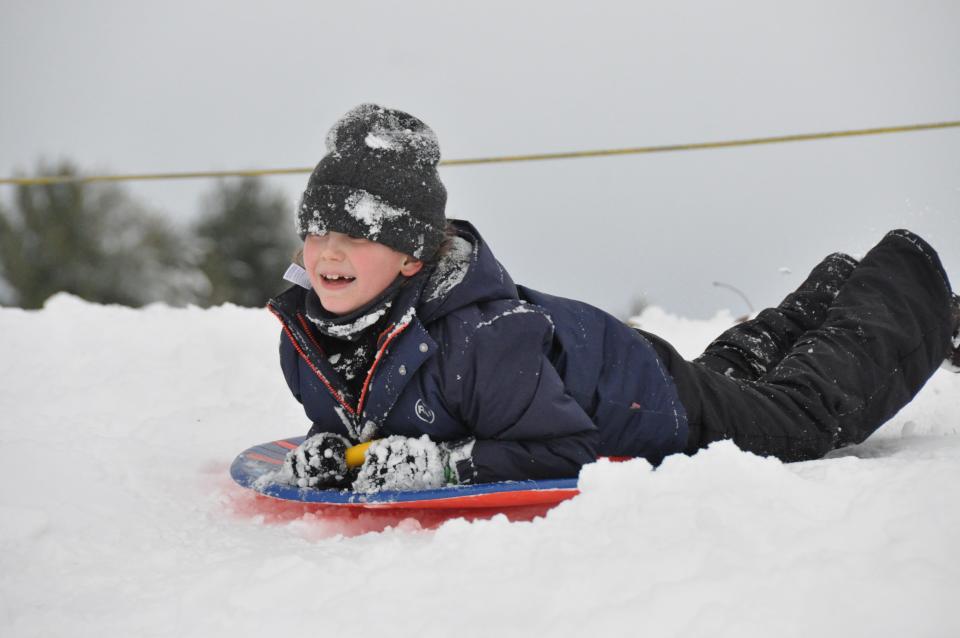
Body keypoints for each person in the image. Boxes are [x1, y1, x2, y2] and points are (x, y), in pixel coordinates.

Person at [268, 104, 960, 494]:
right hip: (610, 370)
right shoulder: (304, 337)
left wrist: (446, 465)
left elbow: (568, 447)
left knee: (801, 417)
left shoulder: (481, 340)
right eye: (318, 232)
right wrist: (332, 451)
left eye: (357, 236)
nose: (328, 253)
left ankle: (915, 281)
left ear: (412, 254)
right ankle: (838, 285)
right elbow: (367, 416)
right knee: (733, 380)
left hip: (644, 401)